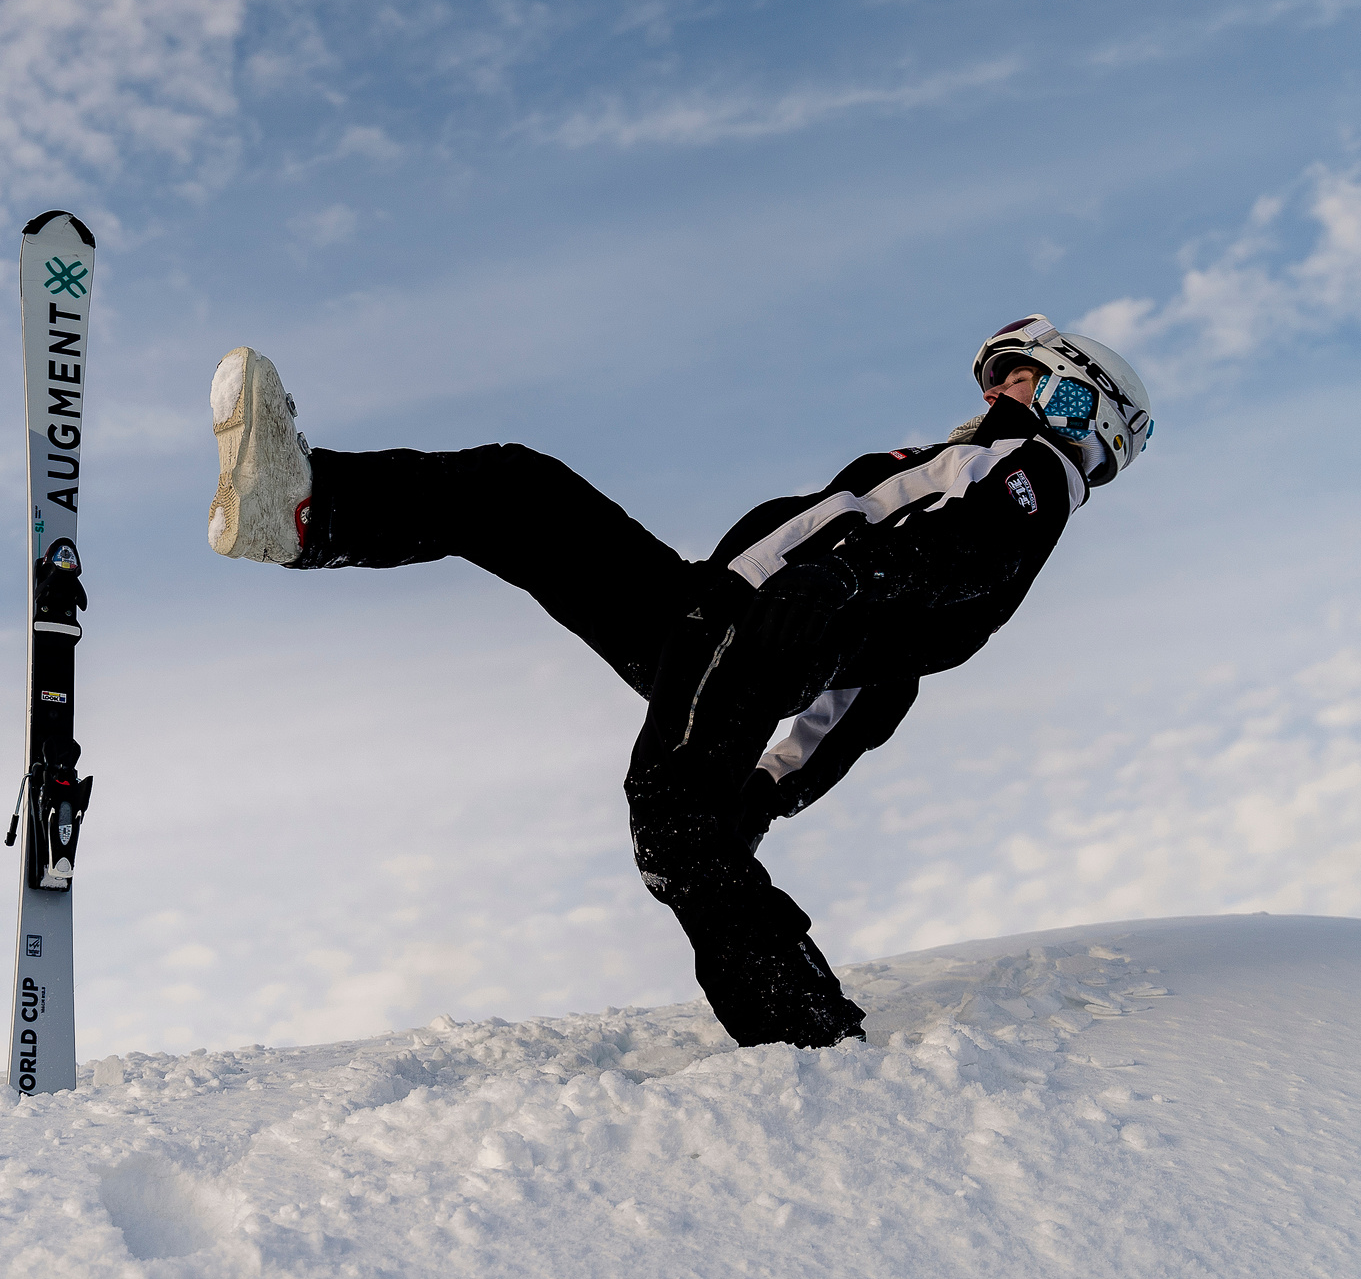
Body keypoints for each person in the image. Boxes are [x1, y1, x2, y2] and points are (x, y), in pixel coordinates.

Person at [203, 316, 1154, 1049]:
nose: (1004, 386)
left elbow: (966, 569)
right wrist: (773, 785)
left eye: (1025, 375)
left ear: (1078, 405)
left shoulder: (1025, 474)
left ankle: (808, 1034)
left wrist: (845, 584)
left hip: (771, 625)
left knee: (673, 819)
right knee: (518, 494)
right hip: (714, 612)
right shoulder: (965, 460)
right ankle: (301, 508)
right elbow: (884, 687)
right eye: (1003, 374)